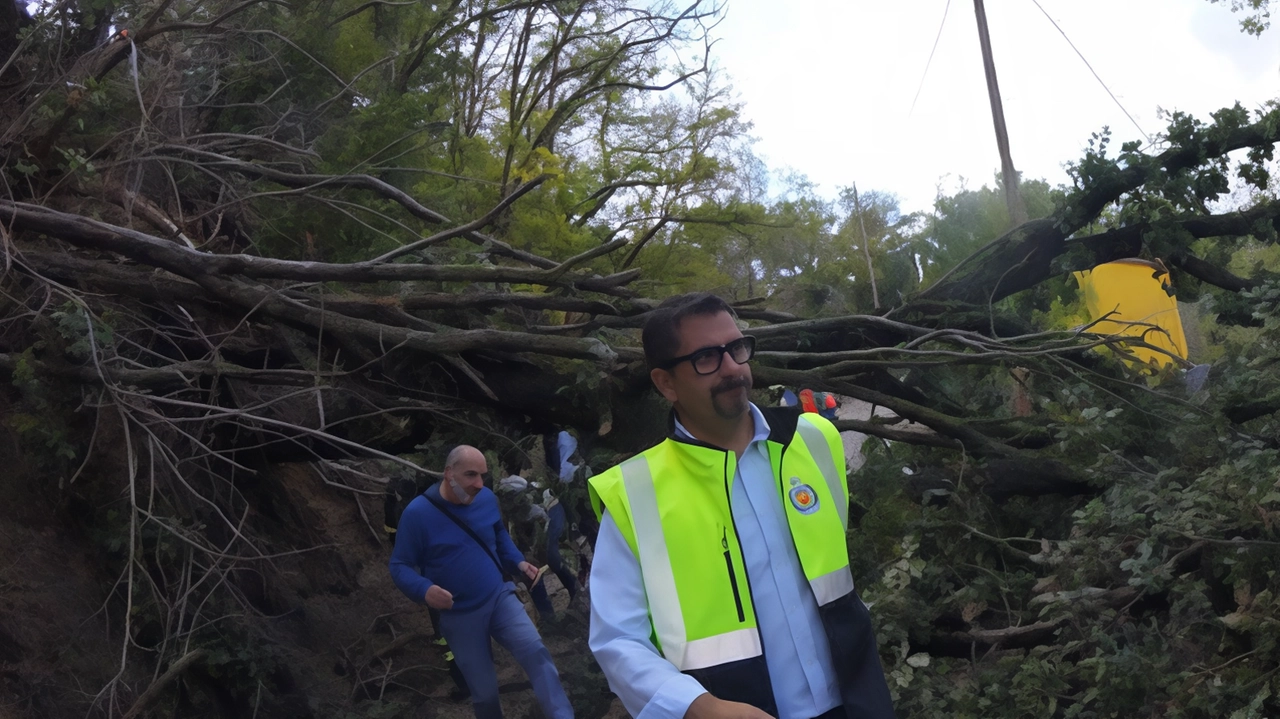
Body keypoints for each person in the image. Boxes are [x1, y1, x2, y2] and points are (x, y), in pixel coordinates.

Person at [586, 293, 896, 719]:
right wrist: (699, 707)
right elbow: (617, 640)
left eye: (735, 348)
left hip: (857, 703)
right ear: (666, 383)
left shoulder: (813, 439)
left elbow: (832, 565)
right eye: (706, 358)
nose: (732, 367)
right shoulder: (634, 493)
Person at [389, 445, 575, 719]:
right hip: (460, 615)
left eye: (482, 476)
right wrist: (424, 590)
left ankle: (562, 715)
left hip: (499, 597)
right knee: (485, 693)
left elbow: (498, 536)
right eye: (470, 475)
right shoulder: (418, 515)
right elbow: (399, 565)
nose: (478, 484)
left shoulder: (486, 499)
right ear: (449, 473)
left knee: (536, 652)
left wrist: (519, 562)